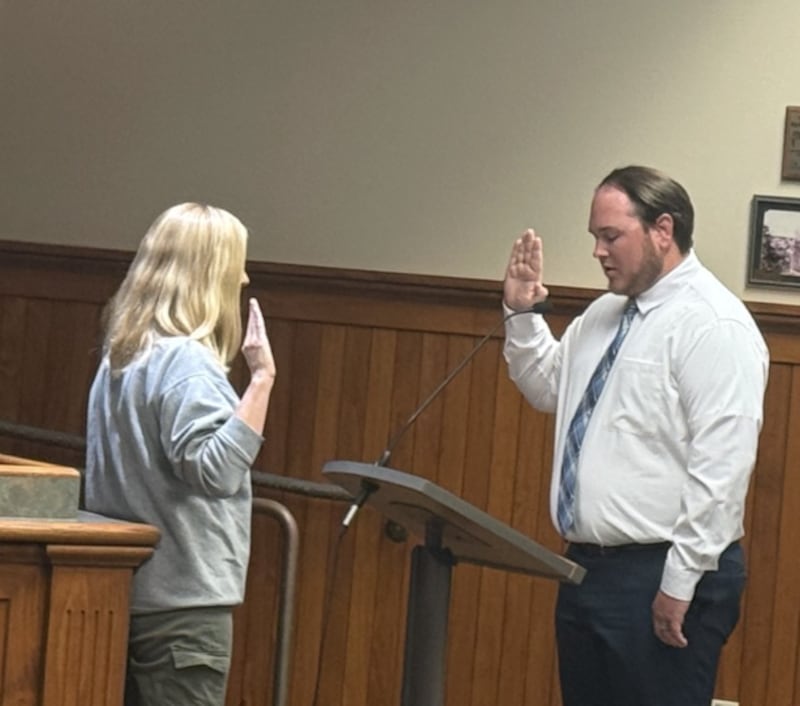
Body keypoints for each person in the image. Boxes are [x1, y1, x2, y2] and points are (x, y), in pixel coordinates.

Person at [502, 165, 768, 706]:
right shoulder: (604, 314)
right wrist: (523, 312)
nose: (599, 252)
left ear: (662, 230)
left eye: (611, 236)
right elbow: (549, 389)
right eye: (595, 238)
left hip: (664, 571)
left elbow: (723, 468)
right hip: (587, 570)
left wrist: (679, 583)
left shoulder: (714, 325)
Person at [83, 202, 277, 706]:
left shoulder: (123, 355)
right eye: (237, 266)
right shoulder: (189, 364)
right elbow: (215, 472)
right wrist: (260, 381)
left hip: (129, 594)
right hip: (183, 609)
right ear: (212, 275)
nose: (244, 278)